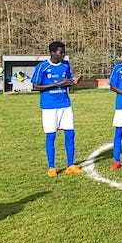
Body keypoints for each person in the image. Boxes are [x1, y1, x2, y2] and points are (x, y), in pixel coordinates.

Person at [32, 41, 81, 177]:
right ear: (52, 53)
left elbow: (68, 82)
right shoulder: (43, 66)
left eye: (64, 51)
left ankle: (70, 165)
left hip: (65, 105)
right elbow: (35, 86)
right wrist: (57, 84)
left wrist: (73, 82)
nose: (63, 54)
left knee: (70, 134)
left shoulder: (65, 65)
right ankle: (51, 167)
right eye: (61, 52)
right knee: (51, 136)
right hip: (49, 107)